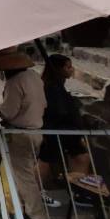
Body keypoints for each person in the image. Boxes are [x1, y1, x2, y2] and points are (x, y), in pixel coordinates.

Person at [0, 49, 48, 219]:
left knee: (24, 177)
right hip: (36, 129)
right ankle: (17, 209)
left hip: (21, 133)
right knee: (20, 174)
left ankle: (37, 216)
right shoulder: (34, 77)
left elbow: (8, 112)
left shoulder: (15, 82)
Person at [37, 54, 89, 208]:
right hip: (56, 131)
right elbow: (58, 111)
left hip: (66, 130)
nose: (71, 70)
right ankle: (36, 193)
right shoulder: (51, 88)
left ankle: (78, 191)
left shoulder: (58, 86)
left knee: (81, 158)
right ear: (58, 69)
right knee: (45, 162)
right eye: (68, 67)